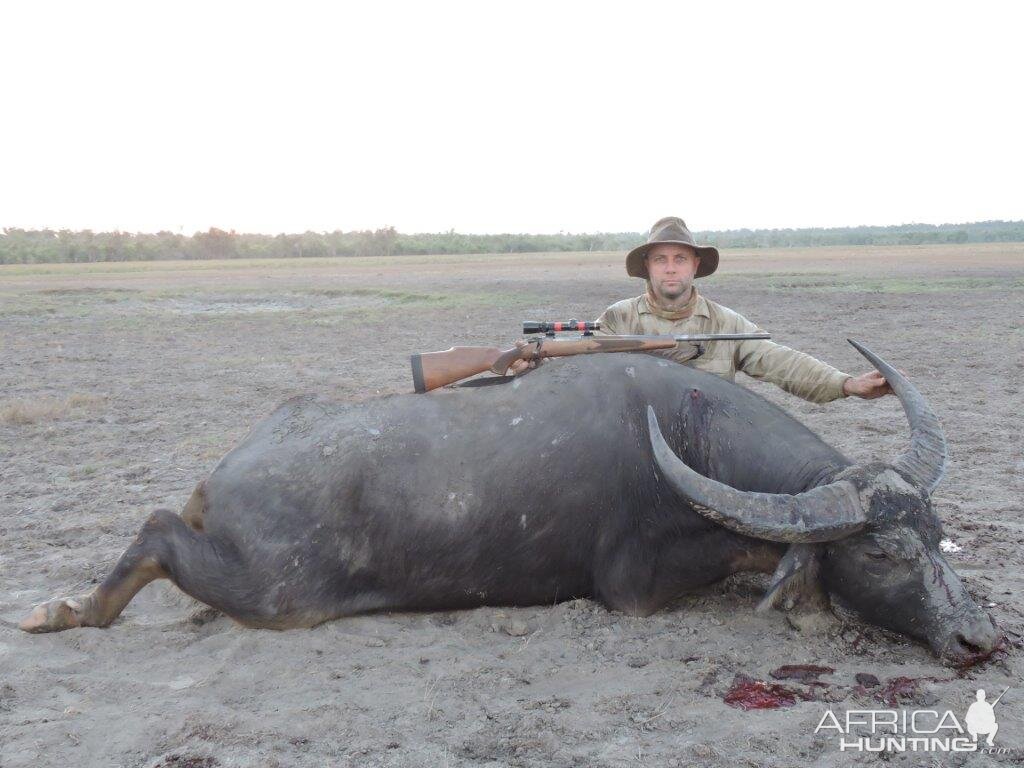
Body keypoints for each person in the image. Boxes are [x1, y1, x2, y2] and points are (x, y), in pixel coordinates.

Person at [512, 216, 892, 404]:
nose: (671, 267)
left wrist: (848, 384)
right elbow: (580, 370)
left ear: (695, 265)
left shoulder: (726, 323)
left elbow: (778, 361)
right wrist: (533, 363)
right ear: (648, 267)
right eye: (660, 259)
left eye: (680, 258)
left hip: (709, 437)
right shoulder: (617, 319)